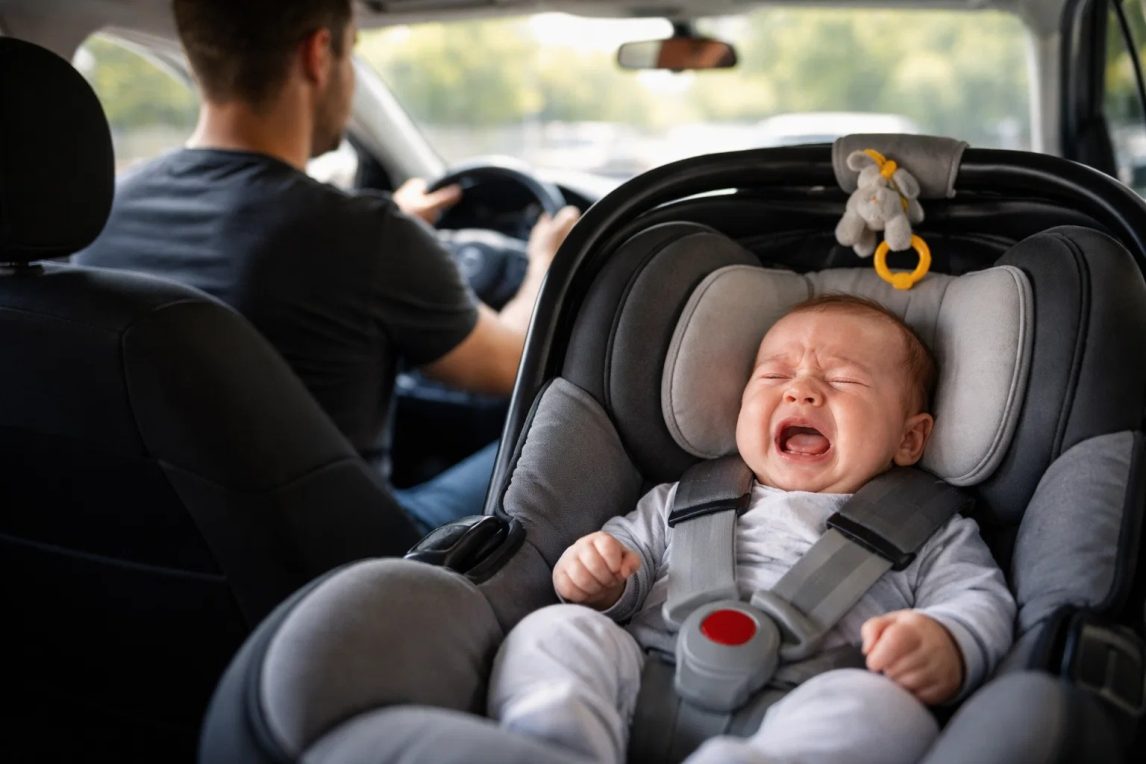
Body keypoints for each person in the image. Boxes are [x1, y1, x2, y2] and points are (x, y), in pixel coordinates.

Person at [74, 0, 579, 533]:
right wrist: (547, 261)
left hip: (167, 532)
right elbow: (509, 366)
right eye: (352, 57)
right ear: (318, 55)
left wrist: (397, 231)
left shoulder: (108, 209)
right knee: (563, 431)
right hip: (345, 561)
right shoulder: (364, 235)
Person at [487, 295, 1016, 764]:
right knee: (555, 633)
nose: (801, 391)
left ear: (909, 439)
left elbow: (979, 598)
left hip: (805, 700)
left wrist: (948, 640)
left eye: (842, 379)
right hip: (644, 673)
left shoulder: (932, 529)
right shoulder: (683, 499)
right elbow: (629, 557)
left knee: (887, 715)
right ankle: (559, 744)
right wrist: (601, 578)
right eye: (774, 376)